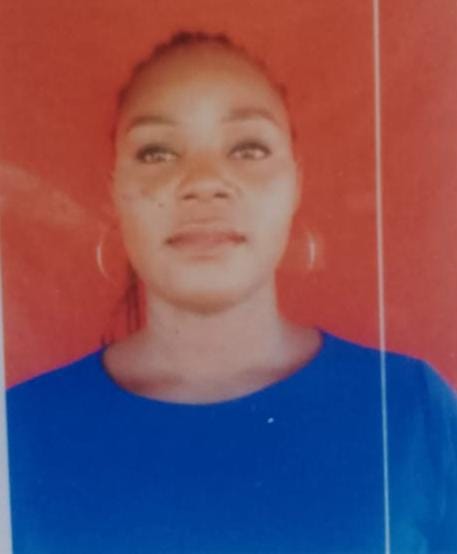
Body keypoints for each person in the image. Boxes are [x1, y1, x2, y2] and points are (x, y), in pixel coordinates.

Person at [6, 31, 457, 554]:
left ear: (296, 182)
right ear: (114, 193)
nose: (203, 181)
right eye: (156, 152)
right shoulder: (17, 433)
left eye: (248, 149)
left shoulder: (409, 410)